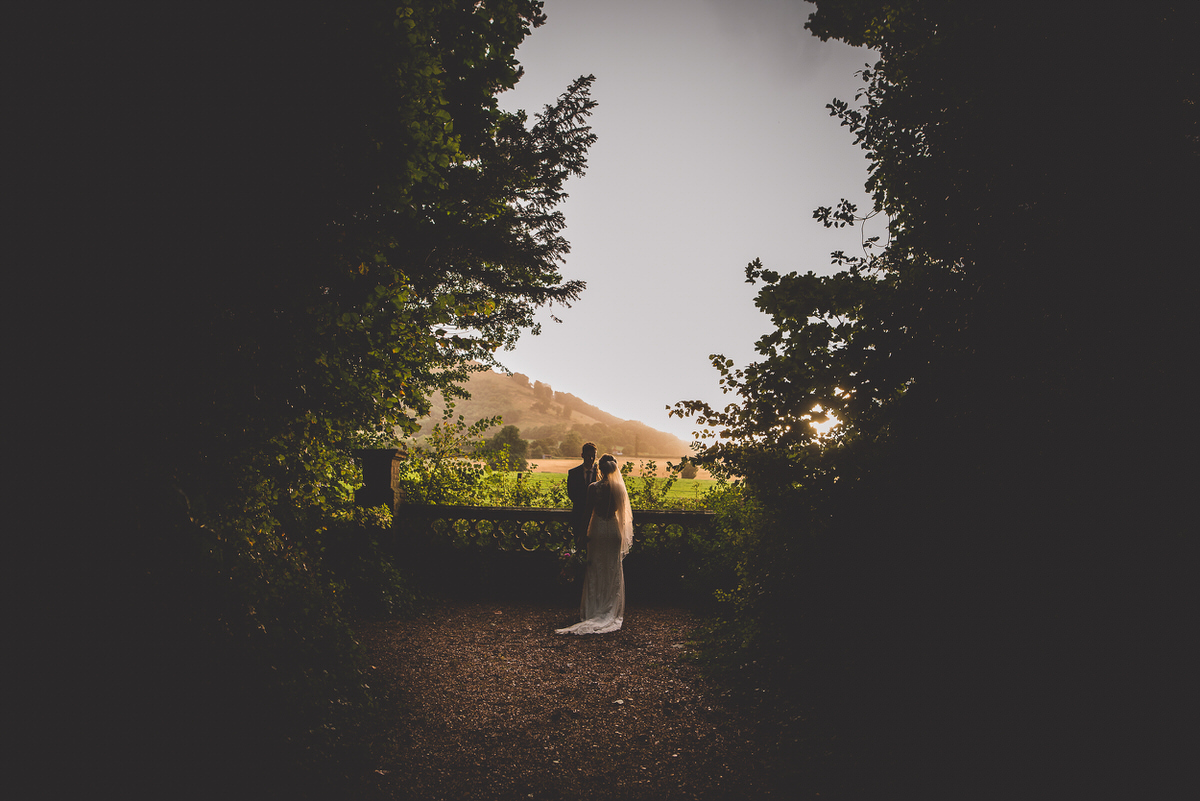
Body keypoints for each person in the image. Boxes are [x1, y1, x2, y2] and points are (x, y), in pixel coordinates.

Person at [556, 454, 633, 635]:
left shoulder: (593, 488)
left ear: (600, 468)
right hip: (614, 531)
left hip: (598, 530)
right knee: (611, 569)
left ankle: (593, 610)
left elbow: (587, 513)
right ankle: (610, 608)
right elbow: (623, 518)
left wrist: (581, 534)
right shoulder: (619, 489)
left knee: (596, 568)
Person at [566, 442, 598, 551]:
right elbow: (572, 494)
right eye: (589, 455)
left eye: (594, 455)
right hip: (578, 517)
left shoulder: (601, 473)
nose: (591, 458)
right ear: (582, 455)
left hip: (597, 518)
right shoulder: (573, 473)